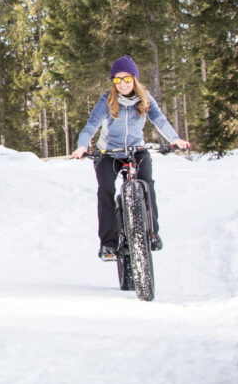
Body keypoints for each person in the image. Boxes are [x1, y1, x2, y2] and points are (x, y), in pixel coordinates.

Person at [70, 55, 190, 261]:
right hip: (108, 153)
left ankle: (152, 233)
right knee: (106, 190)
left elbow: (159, 120)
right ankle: (108, 244)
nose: (122, 84)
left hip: (136, 150)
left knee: (147, 184)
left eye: (126, 78)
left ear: (134, 78)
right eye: (117, 80)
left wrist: (175, 139)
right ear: (113, 82)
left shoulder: (145, 98)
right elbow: (91, 126)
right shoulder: (107, 100)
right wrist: (82, 146)